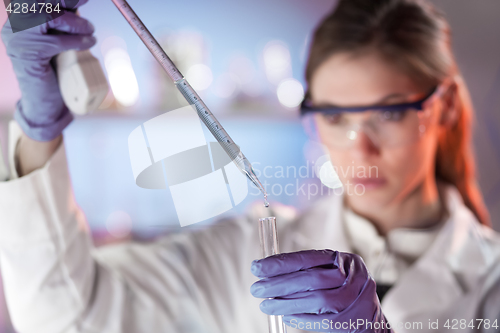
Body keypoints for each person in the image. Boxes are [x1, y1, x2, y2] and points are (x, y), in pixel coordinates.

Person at [1, 0, 499, 332]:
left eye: (389, 112)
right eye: (335, 116)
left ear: (446, 107)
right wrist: (39, 130)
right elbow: (65, 316)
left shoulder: (491, 285)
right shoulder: (249, 252)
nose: (359, 147)